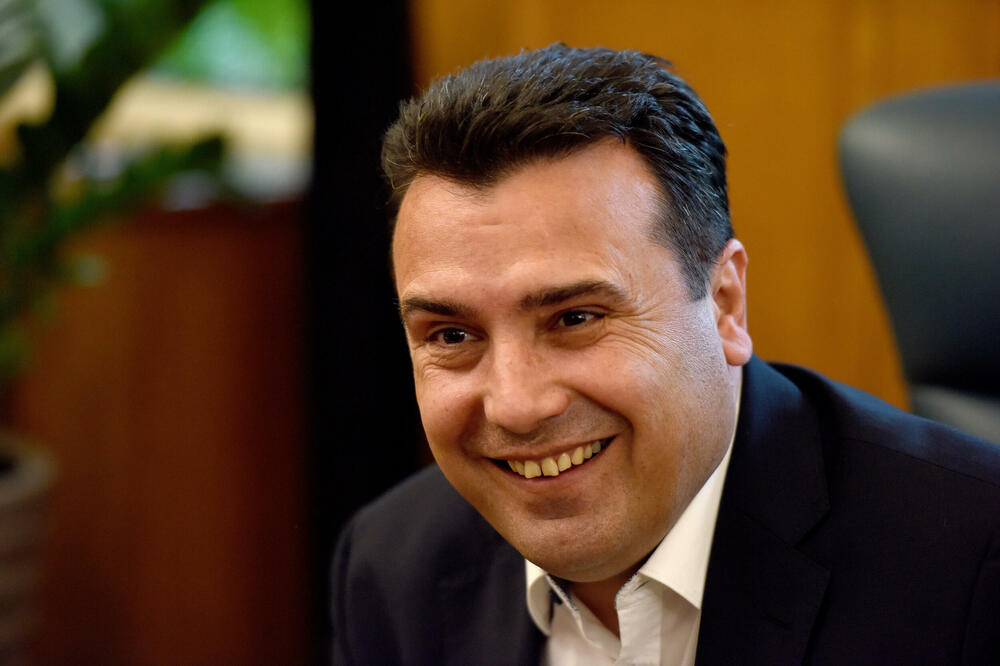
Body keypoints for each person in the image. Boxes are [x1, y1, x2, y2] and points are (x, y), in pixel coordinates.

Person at [330, 44, 1000, 665]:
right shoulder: (393, 569)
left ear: (726, 304)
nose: (517, 405)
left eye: (576, 319)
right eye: (451, 336)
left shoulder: (974, 566)